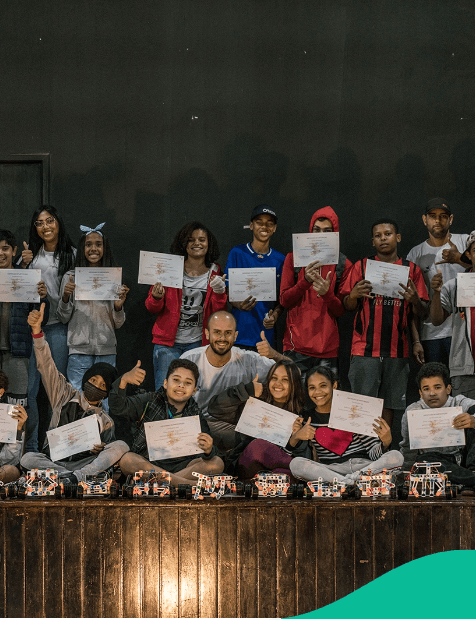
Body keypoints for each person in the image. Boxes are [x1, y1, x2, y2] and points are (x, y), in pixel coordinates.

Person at [20, 304, 129, 484]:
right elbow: (46, 366)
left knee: (120, 446)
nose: (96, 386)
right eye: (93, 380)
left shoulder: (106, 421)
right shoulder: (63, 395)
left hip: (85, 464)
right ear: (85, 380)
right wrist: (37, 332)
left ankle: (71, 478)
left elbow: (107, 455)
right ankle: (67, 477)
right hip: (55, 462)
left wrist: (99, 449)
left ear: (105, 394)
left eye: (102, 385)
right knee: (27, 458)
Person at [341, 218, 428, 426]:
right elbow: (346, 305)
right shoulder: (361, 266)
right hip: (364, 349)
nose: (383, 238)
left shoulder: (412, 270)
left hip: (397, 349)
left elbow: (421, 312)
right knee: (363, 404)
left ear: (397, 237)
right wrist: (353, 294)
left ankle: (384, 448)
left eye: (387, 234)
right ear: (373, 241)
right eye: (378, 236)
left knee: (390, 404)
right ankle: (364, 452)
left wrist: (415, 300)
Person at [180, 310, 290, 450]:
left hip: (231, 425)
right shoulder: (189, 360)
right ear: (207, 334)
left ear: (235, 335)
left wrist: (274, 354)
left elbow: (294, 372)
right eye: (217, 332)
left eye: (228, 333)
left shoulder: (249, 360)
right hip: (195, 425)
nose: (222, 338)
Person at [109, 359, 224, 485]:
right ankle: (186, 485)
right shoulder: (149, 400)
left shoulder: (196, 413)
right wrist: (124, 380)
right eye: (176, 380)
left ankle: (162, 483)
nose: (181, 385)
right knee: (127, 460)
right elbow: (118, 407)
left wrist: (208, 449)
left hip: (184, 466)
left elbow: (209, 453)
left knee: (217, 462)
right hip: (150, 464)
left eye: (188, 383)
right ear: (165, 383)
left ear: (194, 390)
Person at [146, 221, 227, 391]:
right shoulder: (169, 268)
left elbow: (218, 313)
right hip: (167, 344)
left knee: (194, 393)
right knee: (164, 392)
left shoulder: (215, 271)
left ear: (209, 243)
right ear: (183, 243)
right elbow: (151, 307)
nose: (197, 243)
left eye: (202, 240)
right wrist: (156, 297)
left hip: (198, 343)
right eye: (191, 239)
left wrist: (220, 293)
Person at [21, 206, 76, 452]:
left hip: (62, 329)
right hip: (36, 330)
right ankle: (31, 447)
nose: (45, 227)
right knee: (31, 391)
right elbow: (20, 294)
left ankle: (59, 448)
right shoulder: (31, 258)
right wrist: (26, 274)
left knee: (59, 390)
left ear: (58, 223)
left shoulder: (72, 255)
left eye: (50, 221)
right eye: (40, 223)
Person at [289, 367, 404, 483]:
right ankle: (349, 483)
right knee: (296, 464)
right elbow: (293, 454)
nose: (317, 392)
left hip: (363, 467)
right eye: (312, 388)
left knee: (396, 456)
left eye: (323, 385)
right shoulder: (306, 419)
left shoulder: (354, 410)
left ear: (334, 385)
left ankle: (352, 481)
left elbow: (374, 455)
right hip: (331, 471)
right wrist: (297, 436)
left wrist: (385, 443)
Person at [280, 206, 352, 375]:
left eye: (327, 231)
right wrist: (304, 281)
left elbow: (341, 310)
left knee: (326, 400)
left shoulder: (343, 264)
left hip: (327, 348)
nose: (321, 235)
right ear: (310, 231)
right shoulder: (294, 258)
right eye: (316, 230)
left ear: (335, 234)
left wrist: (327, 295)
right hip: (295, 346)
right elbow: (284, 300)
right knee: (294, 399)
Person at [56, 222, 129, 391]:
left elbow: (118, 323)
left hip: (106, 350)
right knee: (77, 396)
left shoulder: (112, 278)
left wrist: (118, 307)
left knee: (103, 399)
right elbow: (62, 317)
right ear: (82, 248)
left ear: (105, 248)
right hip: (78, 350)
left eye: (98, 244)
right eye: (88, 245)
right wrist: (66, 297)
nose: (93, 249)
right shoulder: (71, 277)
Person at [207, 360, 305, 479]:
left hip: (276, 473)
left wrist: (296, 439)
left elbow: (303, 454)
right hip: (247, 467)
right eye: (274, 378)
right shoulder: (254, 403)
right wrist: (247, 390)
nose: (278, 383)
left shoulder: (301, 413)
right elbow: (215, 409)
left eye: (285, 380)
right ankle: (301, 468)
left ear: (295, 384)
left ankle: (297, 469)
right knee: (258, 445)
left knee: (282, 474)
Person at [407, 198, 469, 366]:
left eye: (443, 216)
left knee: (463, 386)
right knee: (435, 385)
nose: (438, 220)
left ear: (451, 219)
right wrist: (416, 341)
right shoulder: (415, 254)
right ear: (424, 219)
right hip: (431, 334)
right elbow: (411, 306)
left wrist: (459, 259)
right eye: (433, 216)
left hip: (465, 331)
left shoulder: (466, 242)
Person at [400, 362, 474, 488]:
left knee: (472, 414)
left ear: (448, 389)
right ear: (420, 392)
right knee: (423, 462)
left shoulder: (460, 402)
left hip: (463, 459)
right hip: (433, 462)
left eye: (437, 387)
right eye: (426, 389)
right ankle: (470, 481)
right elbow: (407, 448)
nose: (432, 393)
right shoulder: (413, 411)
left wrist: (473, 421)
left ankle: (469, 477)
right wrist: (405, 475)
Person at [225, 204, 285, 350]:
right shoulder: (237, 253)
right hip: (239, 333)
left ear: (274, 228)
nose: (264, 227)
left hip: (266, 337)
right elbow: (226, 290)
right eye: (259, 222)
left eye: (269, 223)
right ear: (251, 225)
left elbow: (283, 298)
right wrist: (237, 303)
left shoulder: (280, 259)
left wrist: (275, 315)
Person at [0, 229, 48, 408]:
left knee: (17, 403)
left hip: (18, 352)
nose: (0, 253)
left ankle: (22, 437)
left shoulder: (28, 277)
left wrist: (42, 298)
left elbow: (42, 315)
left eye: (5, 248)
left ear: (14, 251)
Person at [429, 231, 475, 398]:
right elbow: (436, 320)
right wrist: (436, 292)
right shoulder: (455, 285)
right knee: (467, 421)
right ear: (469, 255)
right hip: (465, 369)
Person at [0, 369, 28, 483]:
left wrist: (17, 430)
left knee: (10, 471)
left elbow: (9, 461)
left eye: (0, 394)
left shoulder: (4, 415)